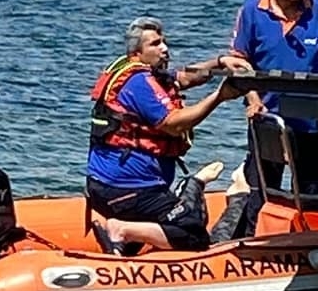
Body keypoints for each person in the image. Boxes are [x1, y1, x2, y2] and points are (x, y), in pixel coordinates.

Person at [86, 16, 249, 254]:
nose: (164, 48)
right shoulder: (138, 82)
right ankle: (120, 230)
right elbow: (173, 124)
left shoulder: (141, 73)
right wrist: (220, 96)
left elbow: (184, 77)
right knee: (193, 234)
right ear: (137, 53)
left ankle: (124, 244)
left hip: (107, 186)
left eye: (164, 42)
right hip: (128, 190)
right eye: (155, 44)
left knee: (166, 222)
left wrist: (220, 62)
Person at [229, 0, 318, 236]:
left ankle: (305, 241)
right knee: (261, 188)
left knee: (309, 189)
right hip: (268, 118)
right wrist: (253, 99)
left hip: (310, 119)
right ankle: (251, 241)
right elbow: (239, 61)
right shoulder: (252, 11)